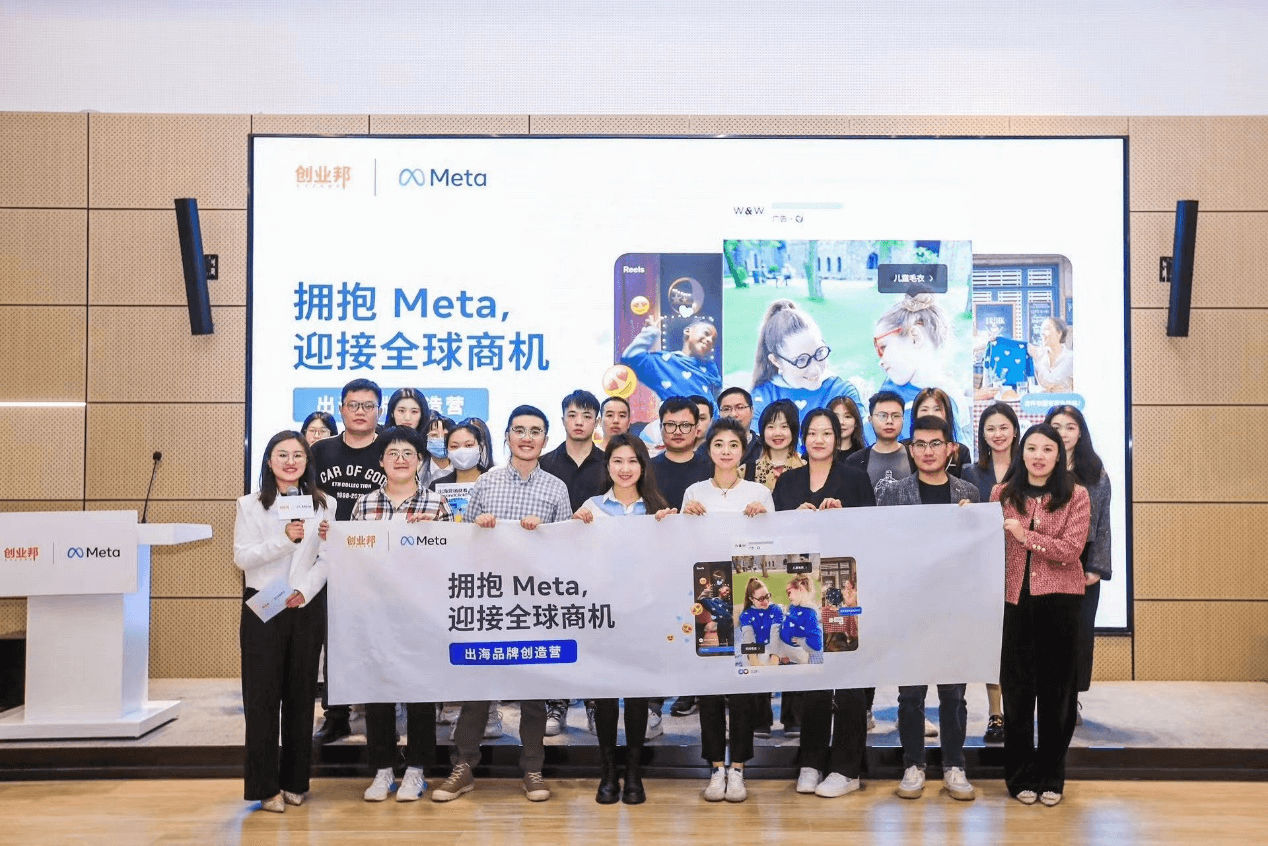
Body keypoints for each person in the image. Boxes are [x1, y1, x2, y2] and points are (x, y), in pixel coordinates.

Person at [431, 405, 573, 804]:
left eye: (535, 431)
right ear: (507, 436)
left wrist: (543, 534)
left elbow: (567, 551)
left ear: (545, 439)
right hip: (489, 601)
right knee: (478, 688)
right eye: (519, 430)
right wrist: (478, 528)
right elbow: (464, 544)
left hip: (534, 603)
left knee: (534, 692)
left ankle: (532, 768)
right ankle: (464, 766)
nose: (527, 438)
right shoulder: (486, 483)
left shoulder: (556, 489)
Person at [875, 415, 980, 802]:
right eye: (919, 444)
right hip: (910, 608)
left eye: (935, 443)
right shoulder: (893, 493)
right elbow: (883, 548)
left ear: (950, 448)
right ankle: (913, 764)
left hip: (954, 609)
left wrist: (973, 521)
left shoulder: (968, 492)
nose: (927, 451)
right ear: (910, 449)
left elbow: (978, 553)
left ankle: (954, 765)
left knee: (953, 694)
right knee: (910, 695)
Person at [770, 408, 873, 798]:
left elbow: (871, 532)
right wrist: (792, 518)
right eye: (812, 433)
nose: (818, 440)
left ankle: (847, 768)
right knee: (812, 677)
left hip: (843, 589)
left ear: (837, 438)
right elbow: (773, 538)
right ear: (803, 438)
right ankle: (811, 761)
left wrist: (842, 518)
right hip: (803, 590)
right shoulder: (789, 481)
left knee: (847, 681)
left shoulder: (855, 478)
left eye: (826, 433)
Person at [572, 433, 676, 804]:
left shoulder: (658, 509)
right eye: (617, 460)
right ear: (608, 466)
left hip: (644, 616)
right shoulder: (592, 508)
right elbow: (576, 559)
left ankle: (633, 772)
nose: (625, 468)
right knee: (604, 697)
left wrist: (673, 527)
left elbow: (670, 563)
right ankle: (607, 772)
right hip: (603, 616)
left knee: (636, 697)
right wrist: (575, 528)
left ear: (643, 466)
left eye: (633, 461)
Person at [991, 423, 1091, 807]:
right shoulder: (1002, 494)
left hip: (1060, 604)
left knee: (1057, 695)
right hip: (1013, 603)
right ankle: (1019, 777)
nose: (1038, 456)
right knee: (1017, 693)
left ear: (1059, 455)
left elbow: (1071, 550)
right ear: (1021, 452)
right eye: (1031, 448)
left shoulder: (1076, 495)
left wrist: (1025, 536)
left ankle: (1052, 775)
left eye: (1047, 449)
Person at [351, 427, 451, 803]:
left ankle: (417, 771)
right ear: (381, 461)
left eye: (408, 453)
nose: (400, 459)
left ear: (420, 460)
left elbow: (449, 560)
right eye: (392, 453)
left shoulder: (435, 505)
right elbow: (353, 558)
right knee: (378, 690)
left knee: (419, 692)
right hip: (376, 611)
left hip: (421, 612)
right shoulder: (363, 505)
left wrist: (430, 535)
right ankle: (382, 769)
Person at [234, 430, 331, 813]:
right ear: (269, 460)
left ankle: (295, 781)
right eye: (282, 454)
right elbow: (243, 557)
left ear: (308, 461)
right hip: (264, 605)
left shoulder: (324, 504)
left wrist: (304, 590)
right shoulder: (250, 504)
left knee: (301, 696)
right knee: (261, 699)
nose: (291, 462)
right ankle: (264, 787)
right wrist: (285, 540)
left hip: (304, 605)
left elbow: (326, 558)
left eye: (298, 455)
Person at [681, 416, 775, 803]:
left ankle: (738, 769)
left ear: (743, 450)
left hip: (745, 599)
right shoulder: (694, 492)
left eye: (733, 445)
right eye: (718, 444)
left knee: (742, 690)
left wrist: (763, 519)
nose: (725, 451)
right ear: (709, 449)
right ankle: (715, 768)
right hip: (707, 599)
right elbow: (684, 548)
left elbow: (772, 548)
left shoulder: (759, 493)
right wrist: (684, 519)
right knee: (709, 690)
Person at [311, 378, 387, 744]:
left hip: (376, 561)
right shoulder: (320, 451)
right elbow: (302, 497)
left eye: (368, 406)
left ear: (379, 411)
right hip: (328, 558)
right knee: (333, 638)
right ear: (341, 409)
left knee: (376, 636)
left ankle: (380, 714)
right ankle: (336, 715)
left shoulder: (390, 449)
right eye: (353, 405)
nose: (360, 412)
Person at [538, 390, 608, 738]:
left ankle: (595, 704)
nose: (579, 422)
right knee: (556, 633)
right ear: (563, 418)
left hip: (598, 564)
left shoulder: (610, 463)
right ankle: (557, 703)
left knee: (594, 634)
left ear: (597, 421)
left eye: (587, 415)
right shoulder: (545, 462)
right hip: (552, 565)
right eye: (572, 415)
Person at [1044, 404, 1111, 723]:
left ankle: (1071, 700)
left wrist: (1096, 566)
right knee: (1048, 634)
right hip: (1044, 557)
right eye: (1056, 427)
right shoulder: (1038, 466)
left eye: (1070, 427)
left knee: (1078, 634)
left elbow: (1103, 523)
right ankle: (1048, 700)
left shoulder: (1095, 473)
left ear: (1080, 432)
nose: (1063, 433)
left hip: (1082, 561)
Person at [961, 401, 1021, 743]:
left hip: (1021, 565)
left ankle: (1018, 712)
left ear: (1015, 430)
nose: (997, 434)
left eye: (1003, 427)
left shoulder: (1028, 468)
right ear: (982, 434)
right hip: (982, 568)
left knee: (1016, 643)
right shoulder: (970, 472)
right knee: (992, 644)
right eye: (990, 428)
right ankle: (996, 714)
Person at [870, 283, 960, 440]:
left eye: (883, 347)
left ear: (915, 338)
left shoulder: (949, 400)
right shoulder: (890, 391)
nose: (881, 361)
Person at [750, 299, 861, 425]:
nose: (815, 369)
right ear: (776, 361)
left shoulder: (842, 392)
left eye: (819, 352)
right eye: (801, 360)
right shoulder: (761, 398)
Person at [621, 315, 721, 402]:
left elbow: (719, 400)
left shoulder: (711, 369)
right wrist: (650, 333)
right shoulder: (665, 362)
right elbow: (631, 357)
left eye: (713, 340)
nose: (709, 340)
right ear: (687, 331)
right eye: (706, 333)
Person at [843, 391, 915, 502]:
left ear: (903, 419)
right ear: (870, 420)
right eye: (882, 416)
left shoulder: (916, 457)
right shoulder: (854, 462)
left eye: (896, 416)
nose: (889, 421)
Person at [911, 387, 972, 477]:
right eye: (924, 410)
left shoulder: (961, 451)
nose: (931, 414)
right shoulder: (904, 449)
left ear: (947, 413)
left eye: (937, 409)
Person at [749, 398, 804, 489]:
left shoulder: (807, 468)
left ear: (794, 430)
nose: (777, 433)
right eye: (771, 427)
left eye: (784, 426)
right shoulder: (747, 471)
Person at [1031, 317, 1074, 392]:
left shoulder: (1070, 357)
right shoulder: (1040, 355)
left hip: (1064, 399)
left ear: (1059, 333)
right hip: (1043, 398)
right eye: (1041, 330)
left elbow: (1051, 380)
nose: (1042, 333)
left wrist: (1036, 359)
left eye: (1046, 329)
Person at [421, 414, 456, 488]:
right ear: (425, 439)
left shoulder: (464, 468)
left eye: (446, 436)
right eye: (434, 435)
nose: (441, 439)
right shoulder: (417, 469)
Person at [827, 395, 865, 460]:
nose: (841, 422)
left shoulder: (864, 457)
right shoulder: (818, 454)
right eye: (836, 417)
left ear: (856, 422)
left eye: (847, 417)